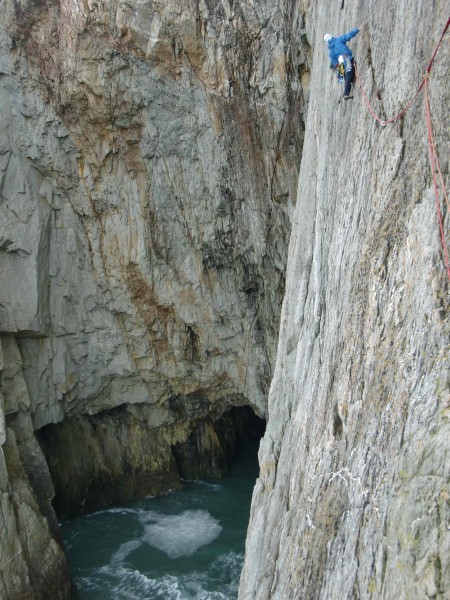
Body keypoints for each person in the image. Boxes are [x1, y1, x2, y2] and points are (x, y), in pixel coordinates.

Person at [324, 24, 364, 99]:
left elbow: (334, 62)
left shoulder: (331, 51)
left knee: (346, 73)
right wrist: (357, 29)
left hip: (340, 63)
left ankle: (349, 79)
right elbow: (348, 36)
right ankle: (346, 93)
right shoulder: (338, 40)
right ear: (331, 36)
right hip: (346, 57)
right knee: (350, 69)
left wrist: (338, 66)